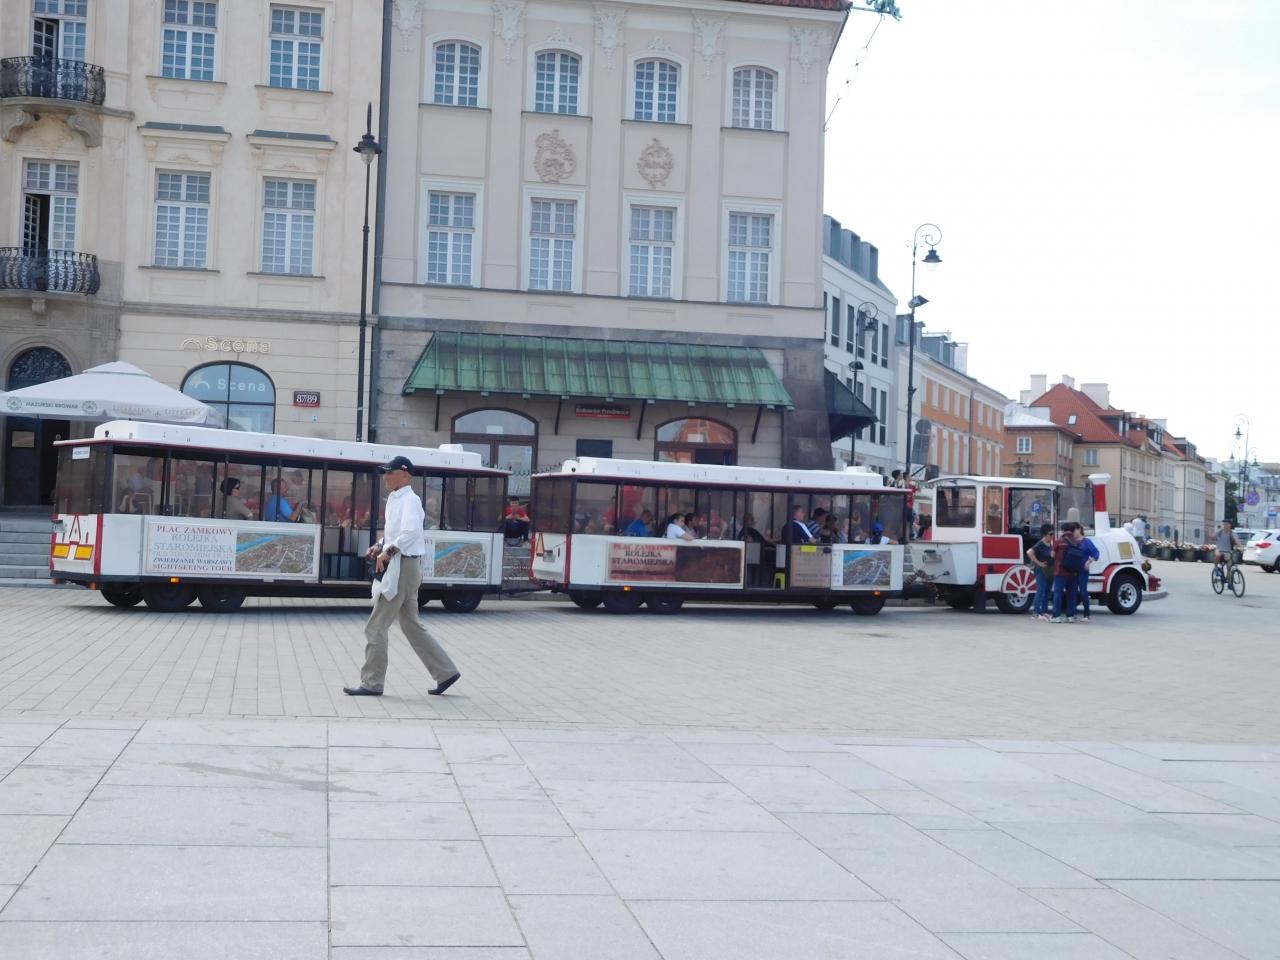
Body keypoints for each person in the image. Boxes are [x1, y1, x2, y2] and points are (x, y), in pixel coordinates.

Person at [343, 456, 460, 698]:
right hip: (405, 566)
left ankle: (372, 683)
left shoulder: (410, 500)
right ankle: (446, 672)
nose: (385, 476)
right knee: (411, 626)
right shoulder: (396, 499)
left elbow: (410, 533)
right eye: (385, 472)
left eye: (390, 472)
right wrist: (380, 546)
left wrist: (387, 552)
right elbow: (396, 535)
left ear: (404, 474)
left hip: (403, 567)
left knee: (376, 626)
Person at [1049, 522, 1085, 623]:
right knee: (1072, 594)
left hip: (1060, 571)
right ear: (1073, 531)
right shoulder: (1077, 542)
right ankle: (1071, 616)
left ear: (1063, 530)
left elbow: (1052, 555)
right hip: (1073, 572)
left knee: (1058, 593)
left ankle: (1056, 616)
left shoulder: (1059, 541)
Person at [1026, 522, 1055, 621]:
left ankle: (1043, 611)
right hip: (1041, 570)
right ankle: (1036, 612)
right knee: (1041, 591)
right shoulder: (1040, 544)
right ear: (1045, 534)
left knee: (1047, 591)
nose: (1052, 536)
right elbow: (1029, 552)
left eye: (1053, 533)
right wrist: (1039, 563)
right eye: (1050, 534)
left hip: (1049, 570)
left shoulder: (1050, 544)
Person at [1073, 526, 1101, 622]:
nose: (1073, 532)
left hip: (1083, 570)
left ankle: (1086, 614)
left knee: (1083, 591)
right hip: (1072, 570)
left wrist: (1089, 561)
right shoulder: (1072, 541)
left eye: (1075, 530)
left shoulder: (1087, 541)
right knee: (1072, 591)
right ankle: (1072, 613)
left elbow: (1096, 553)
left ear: (1079, 530)